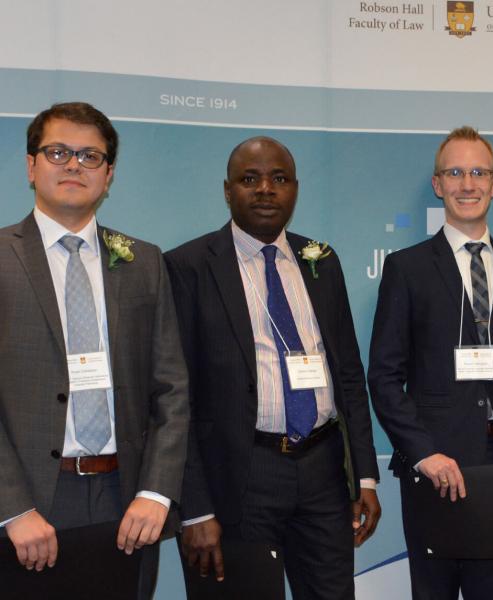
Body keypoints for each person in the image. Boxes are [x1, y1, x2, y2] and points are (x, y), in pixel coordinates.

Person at [165, 136, 380, 599]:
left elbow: (348, 375)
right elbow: (174, 400)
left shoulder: (321, 260)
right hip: (240, 477)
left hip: (323, 471)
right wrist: (195, 510)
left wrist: (363, 475)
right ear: (227, 191)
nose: (265, 189)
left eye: (278, 179)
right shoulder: (187, 267)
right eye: (250, 179)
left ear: (295, 189)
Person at [0, 102, 189, 594]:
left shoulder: (142, 260)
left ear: (108, 175)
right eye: (58, 151)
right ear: (30, 165)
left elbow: (171, 388)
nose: (73, 165)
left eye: (90, 156)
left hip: (125, 500)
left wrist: (156, 492)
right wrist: (12, 508)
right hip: (29, 504)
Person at [367, 126, 493, 599]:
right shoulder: (408, 268)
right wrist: (423, 452)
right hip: (434, 462)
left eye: (479, 172)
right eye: (456, 172)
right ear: (438, 184)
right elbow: (383, 375)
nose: (468, 183)